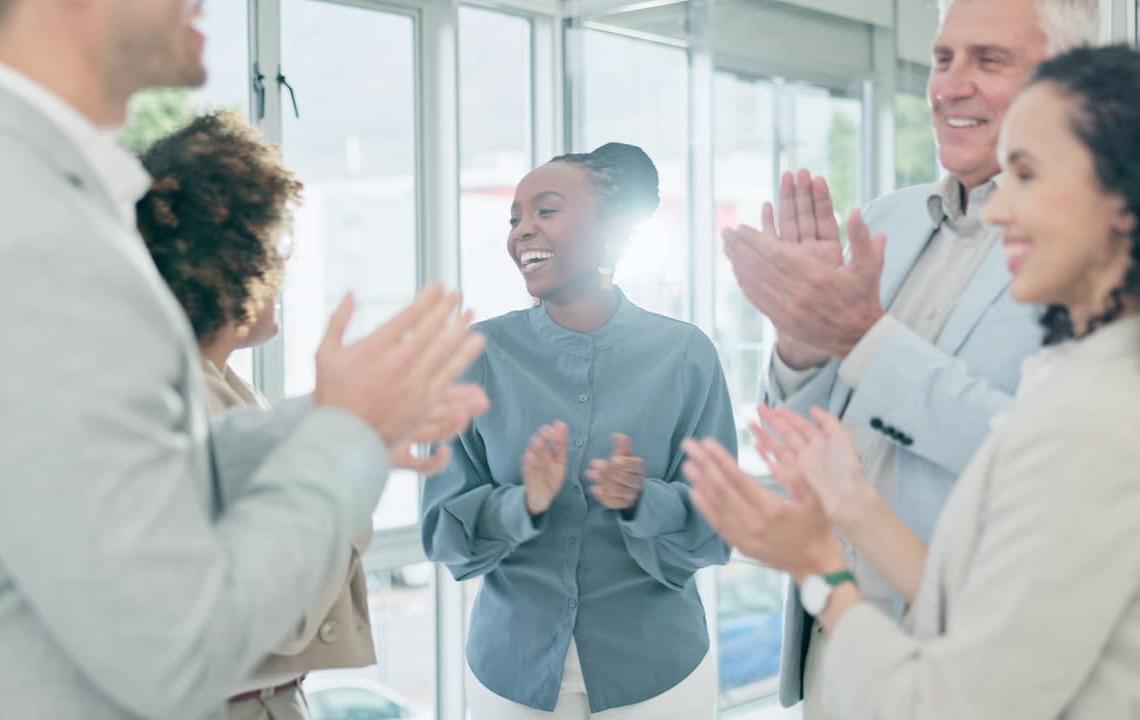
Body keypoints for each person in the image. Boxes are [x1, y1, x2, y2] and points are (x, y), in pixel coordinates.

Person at [0, 2, 486, 719]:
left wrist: (326, 418)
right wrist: (345, 441)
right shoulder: (24, 232)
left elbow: (87, 467)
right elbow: (175, 646)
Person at [687, 43, 1140, 719]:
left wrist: (817, 568)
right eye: (943, 57)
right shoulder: (1075, 376)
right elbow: (979, 606)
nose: (997, 211)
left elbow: (960, 701)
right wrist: (851, 507)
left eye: (1026, 174)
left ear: (1122, 198)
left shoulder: (1097, 412)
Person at [422, 143, 737, 719]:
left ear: (611, 230)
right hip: (511, 671)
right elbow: (442, 529)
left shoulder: (685, 354)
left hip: (657, 671)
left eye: (546, 210)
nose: (523, 230)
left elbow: (719, 522)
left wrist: (644, 499)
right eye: (515, 218)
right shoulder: (475, 356)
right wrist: (523, 502)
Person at [137, 111, 415, 720]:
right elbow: (278, 612)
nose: (283, 271)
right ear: (228, 262)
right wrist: (352, 468)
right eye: (275, 248)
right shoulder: (186, 405)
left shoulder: (223, 386)